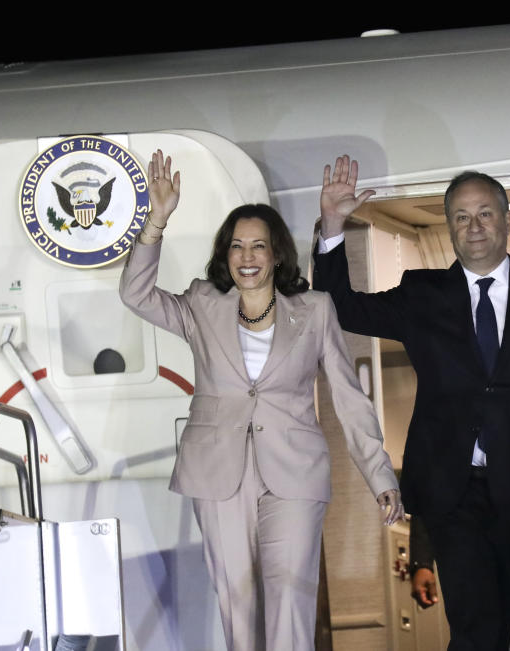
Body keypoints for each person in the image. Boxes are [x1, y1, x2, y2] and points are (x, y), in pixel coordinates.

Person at [312, 156, 510, 651]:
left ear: (507, 219)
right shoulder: (423, 294)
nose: (474, 227)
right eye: (462, 217)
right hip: (454, 492)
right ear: (449, 227)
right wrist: (334, 226)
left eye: (485, 213)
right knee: (475, 627)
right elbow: (340, 306)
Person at [119, 150, 404, 651]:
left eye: (258, 247)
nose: (247, 257)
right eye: (237, 247)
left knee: (290, 599)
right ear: (226, 255)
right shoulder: (201, 304)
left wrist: (379, 474)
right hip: (218, 472)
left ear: (276, 255)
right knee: (238, 603)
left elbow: (347, 394)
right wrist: (155, 222)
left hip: (294, 472)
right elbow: (136, 295)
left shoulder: (314, 310)